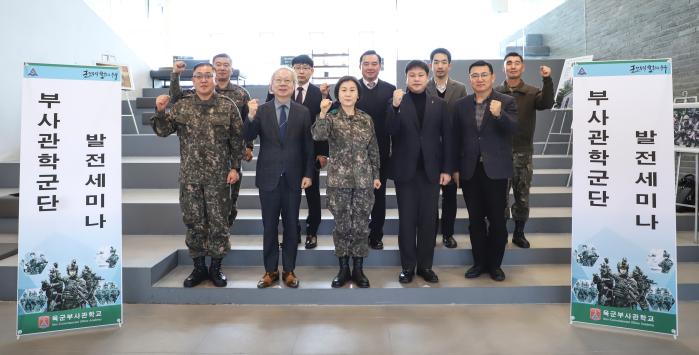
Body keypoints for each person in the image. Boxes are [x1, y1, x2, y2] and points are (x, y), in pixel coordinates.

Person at [151, 62, 243, 288]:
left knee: (219, 222)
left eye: (207, 76)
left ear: (214, 79)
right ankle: (199, 267)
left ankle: (216, 267)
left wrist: (235, 167)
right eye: (198, 76)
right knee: (194, 222)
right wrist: (161, 111)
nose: (203, 80)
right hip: (190, 176)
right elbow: (163, 131)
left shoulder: (227, 106)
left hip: (219, 177)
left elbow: (237, 140)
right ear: (192, 80)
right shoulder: (183, 106)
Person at [245, 67, 314, 289]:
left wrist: (308, 173)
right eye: (278, 80)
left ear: (294, 86)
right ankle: (270, 270)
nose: (283, 84)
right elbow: (247, 135)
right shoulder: (262, 110)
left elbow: (308, 147)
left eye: (287, 81)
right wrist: (250, 116)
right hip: (268, 177)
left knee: (292, 226)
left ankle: (290, 270)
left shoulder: (303, 112)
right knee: (270, 226)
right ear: (271, 85)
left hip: (294, 178)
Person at [387, 60, 453, 283]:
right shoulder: (397, 102)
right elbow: (390, 131)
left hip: (431, 171)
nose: (416, 79)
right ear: (406, 79)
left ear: (428, 78)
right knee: (406, 221)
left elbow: (448, 139)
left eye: (420, 75)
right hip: (405, 171)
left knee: (428, 221)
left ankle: (425, 266)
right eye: (412, 75)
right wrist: (394, 108)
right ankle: (407, 267)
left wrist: (446, 169)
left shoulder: (439, 104)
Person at [312, 76, 381, 288]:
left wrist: (376, 175)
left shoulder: (366, 119)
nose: (348, 93)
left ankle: (358, 269)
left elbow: (373, 149)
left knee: (360, 225)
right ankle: (343, 268)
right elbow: (318, 135)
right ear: (338, 95)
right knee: (341, 226)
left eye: (352, 90)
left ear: (358, 95)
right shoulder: (331, 118)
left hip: (362, 180)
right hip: (339, 181)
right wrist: (322, 112)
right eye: (344, 90)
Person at [170, 54, 253, 227]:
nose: (222, 68)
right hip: (198, 163)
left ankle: (222, 233)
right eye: (218, 64)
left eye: (226, 65)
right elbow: (176, 98)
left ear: (231, 68)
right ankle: (209, 238)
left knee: (228, 201)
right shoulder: (194, 95)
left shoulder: (240, 94)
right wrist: (175, 75)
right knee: (198, 211)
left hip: (228, 157)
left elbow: (245, 125)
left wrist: (248, 147)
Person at [453, 60, 518, 282]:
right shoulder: (461, 105)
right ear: (469, 79)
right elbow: (456, 139)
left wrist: (500, 115)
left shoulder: (506, 101)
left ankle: (495, 265)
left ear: (492, 78)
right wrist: (454, 169)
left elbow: (513, 129)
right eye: (475, 75)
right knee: (476, 220)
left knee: (498, 221)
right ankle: (479, 263)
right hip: (470, 171)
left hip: (496, 172)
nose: (479, 79)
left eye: (483, 75)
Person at [266, 55, 331, 249]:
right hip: (286, 153)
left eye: (305, 67)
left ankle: (312, 231)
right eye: (297, 67)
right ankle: (292, 231)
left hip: (311, 152)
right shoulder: (282, 89)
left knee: (312, 194)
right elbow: (270, 112)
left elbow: (326, 122)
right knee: (287, 194)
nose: (301, 71)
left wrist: (323, 152)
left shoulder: (320, 92)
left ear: (312, 70)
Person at [495, 52, 554, 248]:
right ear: (503, 67)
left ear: (523, 67)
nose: (512, 66)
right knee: (498, 198)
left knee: (522, 196)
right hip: (499, 154)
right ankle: (500, 232)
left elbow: (546, 103)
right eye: (509, 63)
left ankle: (519, 233)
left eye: (517, 63)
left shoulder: (531, 91)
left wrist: (547, 80)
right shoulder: (495, 92)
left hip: (523, 153)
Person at [426, 48, 468, 249]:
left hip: (451, 150)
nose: (440, 65)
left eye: (444, 62)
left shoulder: (459, 88)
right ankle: (430, 233)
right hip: (430, 152)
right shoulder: (423, 87)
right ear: (431, 65)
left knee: (450, 196)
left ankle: (448, 234)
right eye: (436, 62)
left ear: (449, 65)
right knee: (431, 197)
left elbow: (463, 121)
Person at [356, 50, 396, 250]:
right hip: (354, 155)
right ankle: (359, 233)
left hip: (381, 152)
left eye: (374, 63)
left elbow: (394, 121)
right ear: (360, 66)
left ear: (380, 66)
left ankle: (376, 235)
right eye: (366, 63)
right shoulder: (351, 88)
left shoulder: (390, 89)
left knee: (378, 197)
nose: (370, 67)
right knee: (358, 197)